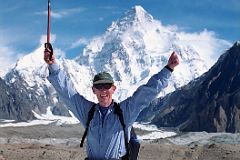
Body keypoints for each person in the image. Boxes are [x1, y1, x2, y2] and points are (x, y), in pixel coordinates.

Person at [44, 43, 179, 160]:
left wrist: (168, 70)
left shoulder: (125, 112)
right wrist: (53, 65)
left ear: (113, 89)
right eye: (99, 87)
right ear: (93, 90)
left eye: (107, 86)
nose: (103, 91)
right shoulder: (87, 112)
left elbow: (147, 93)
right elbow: (68, 93)